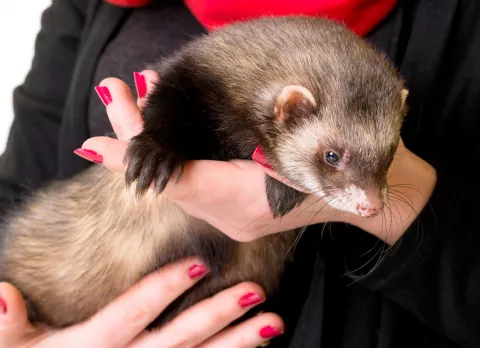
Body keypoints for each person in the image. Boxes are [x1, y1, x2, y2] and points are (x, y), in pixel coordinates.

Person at [0, 0, 478, 347]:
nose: (368, 198)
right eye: (333, 159)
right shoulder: (94, 9)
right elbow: (13, 189)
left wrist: (399, 204)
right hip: (58, 292)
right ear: (288, 110)